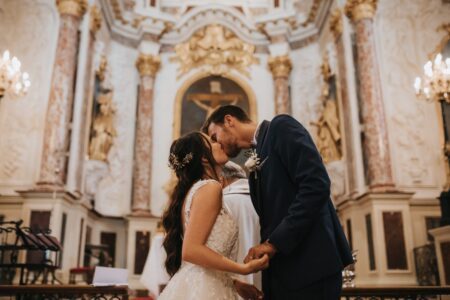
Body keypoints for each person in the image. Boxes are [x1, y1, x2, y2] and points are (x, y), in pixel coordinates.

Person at [202, 106, 353, 299]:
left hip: (311, 265)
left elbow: (316, 185)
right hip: (285, 271)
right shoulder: (257, 153)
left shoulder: (281, 128)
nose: (217, 144)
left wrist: (273, 243)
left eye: (214, 137)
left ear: (229, 120)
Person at [158, 132, 268, 300]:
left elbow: (204, 258)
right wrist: (243, 269)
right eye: (212, 142)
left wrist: (234, 283)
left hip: (204, 285)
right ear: (203, 157)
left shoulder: (196, 191)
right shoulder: (210, 188)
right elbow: (192, 250)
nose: (219, 143)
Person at [222, 161, 262, 291]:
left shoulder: (222, 202)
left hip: (231, 281)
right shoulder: (262, 199)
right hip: (262, 276)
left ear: (222, 180)